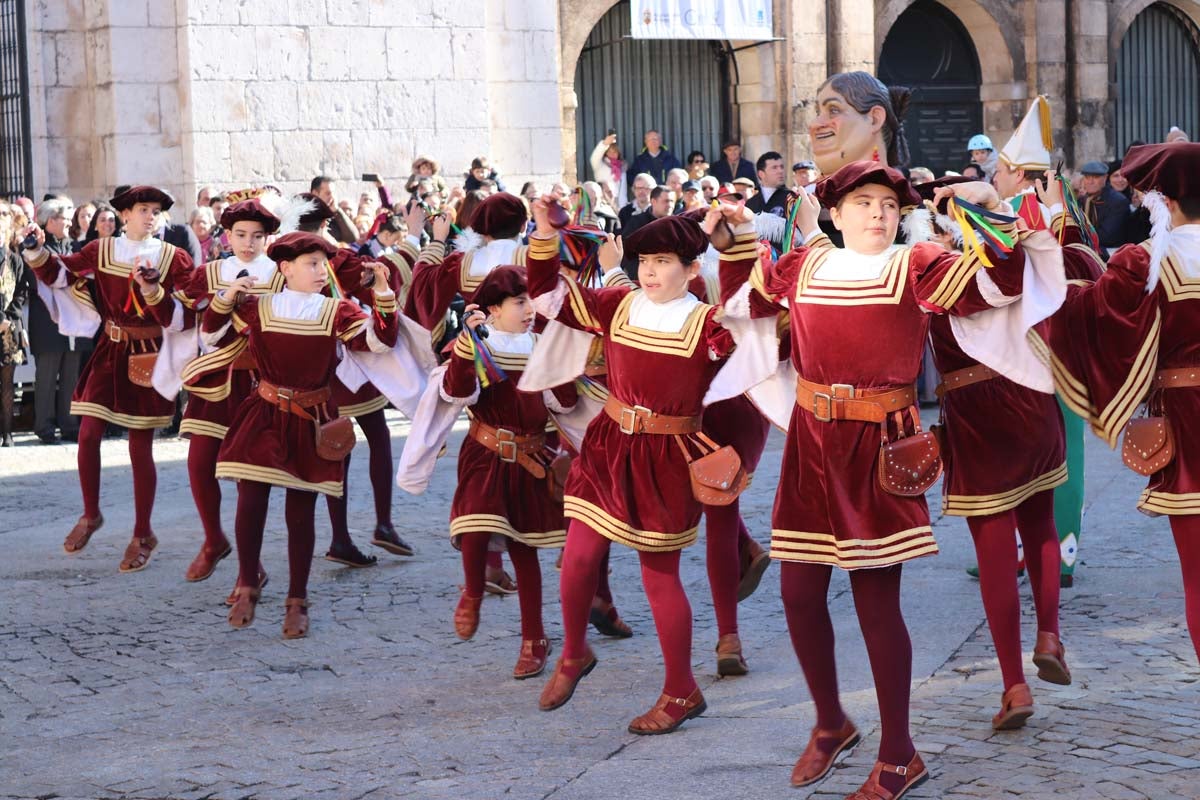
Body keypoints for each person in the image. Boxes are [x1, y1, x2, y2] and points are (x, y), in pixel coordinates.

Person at [719, 161, 1053, 797]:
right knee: (796, 594)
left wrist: (990, 213)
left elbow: (996, 288)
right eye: (863, 203)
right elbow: (744, 301)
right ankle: (829, 723)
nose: (878, 213)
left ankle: (900, 753)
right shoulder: (805, 264)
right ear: (835, 214)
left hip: (879, 447)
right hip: (812, 444)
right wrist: (733, 238)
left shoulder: (916, 263)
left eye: (888, 205)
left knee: (877, 603)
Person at [529, 205, 746, 736]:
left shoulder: (708, 325)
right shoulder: (617, 304)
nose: (650, 270)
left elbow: (759, 325)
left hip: (667, 458)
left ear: (693, 269)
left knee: (659, 577)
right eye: (644, 259)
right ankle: (575, 653)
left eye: (664, 261)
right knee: (576, 558)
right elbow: (548, 297)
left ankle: (680, 690)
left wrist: (736, 244)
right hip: (606, 445)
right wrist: (542, 235)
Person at [1043, 142, 1200, 660]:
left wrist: (1057, 234)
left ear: (1166, 202)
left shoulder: (1148, 262)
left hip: (1189, 423)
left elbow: (1084, 314)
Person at [216, 231, 398, 638]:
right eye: (312, 264)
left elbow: (382, 341)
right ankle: (247, 583)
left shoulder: (338, 311)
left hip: (312, 417)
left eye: (323, 264)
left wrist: (383, 294)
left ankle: (297, 600)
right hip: (263, 413)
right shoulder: (258, 307)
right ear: (285, 269)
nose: (321, 271)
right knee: (251, 500)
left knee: (301, 510)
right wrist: (227, 296)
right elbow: (211, 332)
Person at [21, 185, 195, 571]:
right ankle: (90, 514)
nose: (151, 216)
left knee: (139, 446)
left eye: (156, 211)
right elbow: (60, 272)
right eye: (143, 209)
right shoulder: (102, 250)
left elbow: (191, 304)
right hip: (109, 350)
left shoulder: (172, 257)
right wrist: (35, 248)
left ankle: (143, 532)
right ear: (125, 215)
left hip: (149, 355)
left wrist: (158, 293)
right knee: (87, 433)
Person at [435, 266, 575, 678]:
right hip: (485, 451)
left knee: (524, 548)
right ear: (493, 309)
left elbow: (564, 405)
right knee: (475, 522)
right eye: (519, 302)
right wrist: (465, 348)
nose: (529, 309)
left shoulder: (541, 345)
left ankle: (535, 639)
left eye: (532, 301)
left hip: (533, 457)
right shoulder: (478, 344)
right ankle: (473, 592)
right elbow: (457, 392)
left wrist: (562, 358)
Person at [992, 96, 1106, 589]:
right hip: (1065, 350)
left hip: (1025, 350)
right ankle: (1053, 550)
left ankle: (1032, 549)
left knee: (1026, 452)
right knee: (1061, 450)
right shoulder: (1071, 213)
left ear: (1018, 172)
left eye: (1000, 169)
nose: (995, 176)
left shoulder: (1012, 213)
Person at [173, 196, 284, 587]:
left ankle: (248, 569)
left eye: (256, 236)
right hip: (217, 380)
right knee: (199, 464)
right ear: (228, 235)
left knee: (246, 479)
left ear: (269, 238)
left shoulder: (283, 273)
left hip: (260, 386)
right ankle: (213, 538)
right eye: (240, 234)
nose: (248, 243)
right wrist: (150, 284)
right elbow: (178, 306)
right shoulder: (214, 270)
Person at [30, 197, 92, 444]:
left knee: (71, 374)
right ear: (49, 221)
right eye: (64, 218)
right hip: (48, 323)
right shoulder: (36, 247)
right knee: (47, 376)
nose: (69, 222)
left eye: (69, 217)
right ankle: (44, 426)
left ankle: (69, 424)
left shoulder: (76, 247)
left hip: (75, 320)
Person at [0, 202, 29, 447]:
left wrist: (8, 318)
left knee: (8, 382)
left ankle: (7, 433)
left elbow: (21, 291)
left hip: (8, 330)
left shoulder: (15, 259)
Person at [619, 186, 676, 277]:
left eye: (672, 201)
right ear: (653, 201)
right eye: (666, 201)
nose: (670, 205)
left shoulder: (678, 225)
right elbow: (626, 251)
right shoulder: (637, 223)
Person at [1080, 160, 1131, 255]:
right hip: (1088, 249)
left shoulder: (1118, 201)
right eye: (1087, 177)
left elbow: (1107, 237)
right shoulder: (1082, 200)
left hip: (1111, 253)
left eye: (1095, 177)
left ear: (1105, 178)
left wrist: (1079, 236)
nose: (1091, 182)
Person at [311, 176, 360, 245]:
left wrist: (337, 211)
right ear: (315, 193)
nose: (332, 197)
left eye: (333, 193)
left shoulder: (335, 215)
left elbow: (353, 238)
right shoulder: (305, 215)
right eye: (328, 193)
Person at [746, 151, 792, 217]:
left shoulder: (791, 198)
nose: (780, 171)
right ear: (761, 174)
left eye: (781, 167)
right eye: (774, 167)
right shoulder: (751, 203)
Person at [589, 134, 627, 207]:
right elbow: (594, 157)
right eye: (609, 152)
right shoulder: (600, 165)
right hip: (603, 203)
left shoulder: (622, 168)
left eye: (615, 152)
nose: (612, 154)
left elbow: (623, 191)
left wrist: (624, 206)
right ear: (605, 153)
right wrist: (605, 144)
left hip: (620, 206)